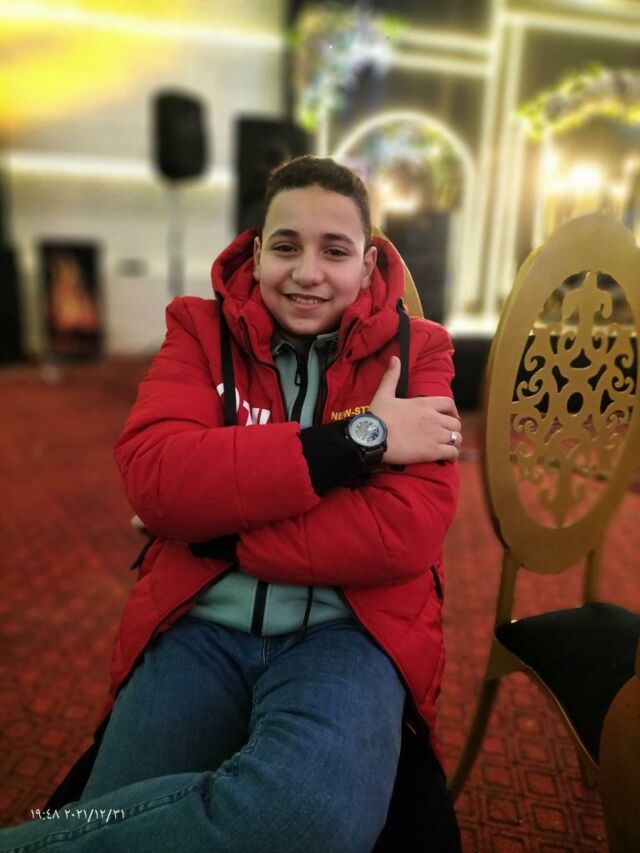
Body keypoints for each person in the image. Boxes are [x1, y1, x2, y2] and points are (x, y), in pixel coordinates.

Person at [0, 156, 462, 852]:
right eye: (286, 246)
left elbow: (405, 531)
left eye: (335, 251)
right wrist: (357, 438)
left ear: (368, 263)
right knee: (115, 819)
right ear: (257, 250)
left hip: (348, 633)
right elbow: (158, 479)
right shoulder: (197, 330)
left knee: (313, 821)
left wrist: (218, 533)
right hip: (203, 624)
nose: (307, 272)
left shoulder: (419, 350)